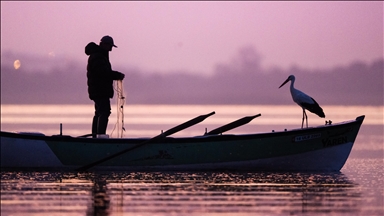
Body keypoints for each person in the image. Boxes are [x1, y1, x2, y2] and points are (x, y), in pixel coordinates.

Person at [85, 35, 125, 137]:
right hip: (100, 90)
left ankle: (95, 136)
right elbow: (103, 73)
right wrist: (117, 75)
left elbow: (104, 72)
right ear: (103, 44)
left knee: (99, 112)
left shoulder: (99, 55)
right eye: (110, 46)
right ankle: (100, 136)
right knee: (104, 112)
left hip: (98, 90)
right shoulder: (98, 56)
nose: (111, 49)